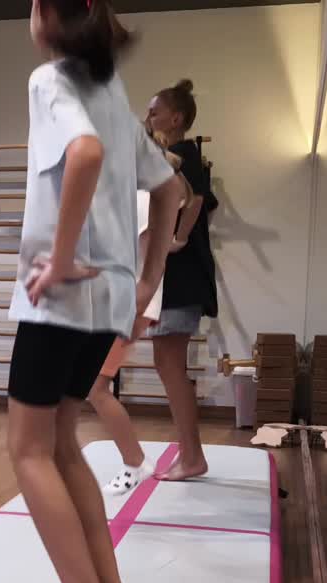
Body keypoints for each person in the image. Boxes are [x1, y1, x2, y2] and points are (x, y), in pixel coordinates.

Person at [8, 0, 182, 583]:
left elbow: (82, 154)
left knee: (26, 450)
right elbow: (170, 191)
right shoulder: (111, 89)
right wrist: (144, 281)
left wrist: (55, 261)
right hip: (107, 297)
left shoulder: (50, 80)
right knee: (61, 445)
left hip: (63, 296)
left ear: (49, 19)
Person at [91, 160, 193, 497]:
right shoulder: (141, 195)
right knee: (89, 385)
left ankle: (135, 462)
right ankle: (133, 460)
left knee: (95, 387)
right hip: (128, 301)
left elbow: (149, 257)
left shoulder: (147, 197)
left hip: (131, 303)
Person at [144, 79, 218, 482]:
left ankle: (192, 457)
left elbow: (200, 199)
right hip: (172, 281)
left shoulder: (183, 155)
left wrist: (180, 238)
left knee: (171, 366)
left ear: (176, 118)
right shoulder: (172, 157)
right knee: (167, 365)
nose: (148, 117)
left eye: (154, 111)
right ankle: (191, 454)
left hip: (182, 280)